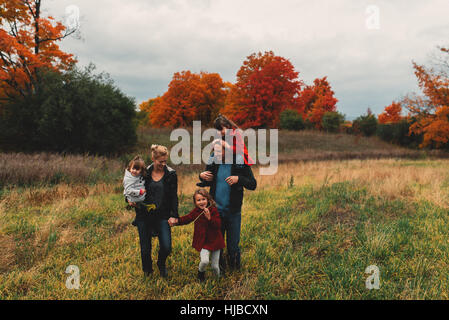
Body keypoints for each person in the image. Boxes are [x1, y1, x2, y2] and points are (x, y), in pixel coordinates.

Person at [198, 116, 257, 273]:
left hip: (233, 211)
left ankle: (236, 270)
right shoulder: (214, 161)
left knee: (233, 246)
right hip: (216, 211)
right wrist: (202, 176)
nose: (217, 153)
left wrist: (239, 179)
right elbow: (206, 180)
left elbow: (253, 184)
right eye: (215, 151)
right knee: (218, 244)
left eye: (220, 150)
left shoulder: (238, 161)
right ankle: (221, 269)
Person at [127, 145, 179, 278]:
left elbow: (173, 196)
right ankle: (148, 272)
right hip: (144, 215)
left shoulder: (171, 174)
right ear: (153, 159)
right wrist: (128, 199)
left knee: (167, 247)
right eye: (160, 161)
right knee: (145, 249)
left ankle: (161, 263)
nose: (163, 164)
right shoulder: (144, 172)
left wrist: (174, 215)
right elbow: (130, 186)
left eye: (165, 161)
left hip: (163, 215)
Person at [169, 189, 225, 282]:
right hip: (203, 241)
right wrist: (176, 221)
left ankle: (218, 280)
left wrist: (209, 218)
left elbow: (218, 225)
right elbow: (187, 219)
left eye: (203, 199)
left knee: (215, 266)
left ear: (208, 200)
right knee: (205, 261)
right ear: (195, 202)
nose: (201, 202)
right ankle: (201, 274)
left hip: (215, 241)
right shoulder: (196, 212)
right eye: (198, 200)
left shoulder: (213, 210)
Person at [123, 156, 148, 227]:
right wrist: (139, 192)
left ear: (141, 170)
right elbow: (128, 190)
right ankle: (137, 220)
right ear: (130, 168)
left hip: (139, 197)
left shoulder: (138, 175)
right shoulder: (129, 178)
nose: (134, 171)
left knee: (142, 210)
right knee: (142, 210)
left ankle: (138, 220)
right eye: (133, 168)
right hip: (135, 197)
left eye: (137, 169)